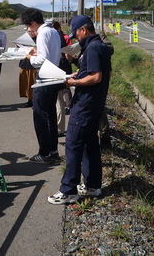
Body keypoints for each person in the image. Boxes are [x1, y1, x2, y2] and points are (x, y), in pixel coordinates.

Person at [48, 15, 112, 205]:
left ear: (83, 29)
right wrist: (79, 73)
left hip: (85, 104)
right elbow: (104, 73)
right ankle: (93, 185)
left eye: (75, 33)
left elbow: (96, 77)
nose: (75, 37)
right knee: (90, 143)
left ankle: (68, 190)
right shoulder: (100, 46)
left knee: (73, 143)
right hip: (94, 104)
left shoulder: (91, 48)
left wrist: (74, 81)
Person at [21, 8, 62, 164]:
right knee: (50, 115)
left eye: (28, 27)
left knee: (40, 116)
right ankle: (53, 151)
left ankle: (43, 153)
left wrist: (29, 56)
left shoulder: (42, 33)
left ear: (33, 23)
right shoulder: (53, 31)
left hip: (44, 76)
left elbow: (41, 60)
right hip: (54, 75)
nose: (29, 30)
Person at [52, 20, 73, 136]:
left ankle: (59, 128)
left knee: (58, 99)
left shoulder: (56, 37)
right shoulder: (60, 36)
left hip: (57, 69)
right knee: (62, 94)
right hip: (63, 66)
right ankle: (59, 127)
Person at [18, 30, 37, 108]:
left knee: (33, 83)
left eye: (32, 31)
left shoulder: (39, 38)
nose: (31, 33)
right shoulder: (24, 39)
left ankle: (35, 101)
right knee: (26, 83)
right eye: (29, 32)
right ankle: (29, 100)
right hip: (24, 62)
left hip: (34, 63)